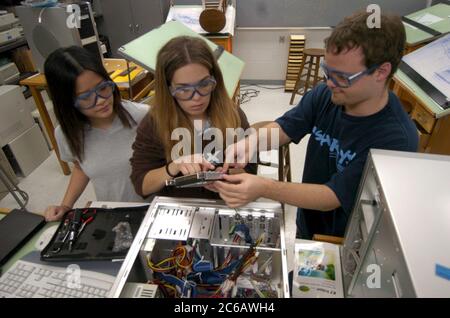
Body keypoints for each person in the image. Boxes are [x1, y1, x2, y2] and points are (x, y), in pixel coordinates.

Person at [214, 11, 418, 239]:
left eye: (342, 77)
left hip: (344, 239)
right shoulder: (326, 95)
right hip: (309, 222)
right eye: (327, 72)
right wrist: (252, 142)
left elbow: (332, 196)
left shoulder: (396, 139)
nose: (330, 83)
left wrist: (264, 187)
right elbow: (286, 128)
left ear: (381, 71)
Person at [130, 36, 255, 199]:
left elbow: (250, 170)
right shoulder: (154, 123)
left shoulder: (233, 114)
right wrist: (173, 167)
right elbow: (142, 185)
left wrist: (227, 176)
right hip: (178, 211)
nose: (196, 98)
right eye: (183, 89)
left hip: (225, 204)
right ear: (168, 89)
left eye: (204, 85)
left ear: (214, 79)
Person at [44, 46, 149, 221]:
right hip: (114, 215)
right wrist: (66, 206)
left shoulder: (143, 116)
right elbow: (81, 167)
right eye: (85, 97)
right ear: (66, 102)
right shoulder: (66, 134)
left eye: (103, 88)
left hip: (155, 209)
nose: (100, 101)